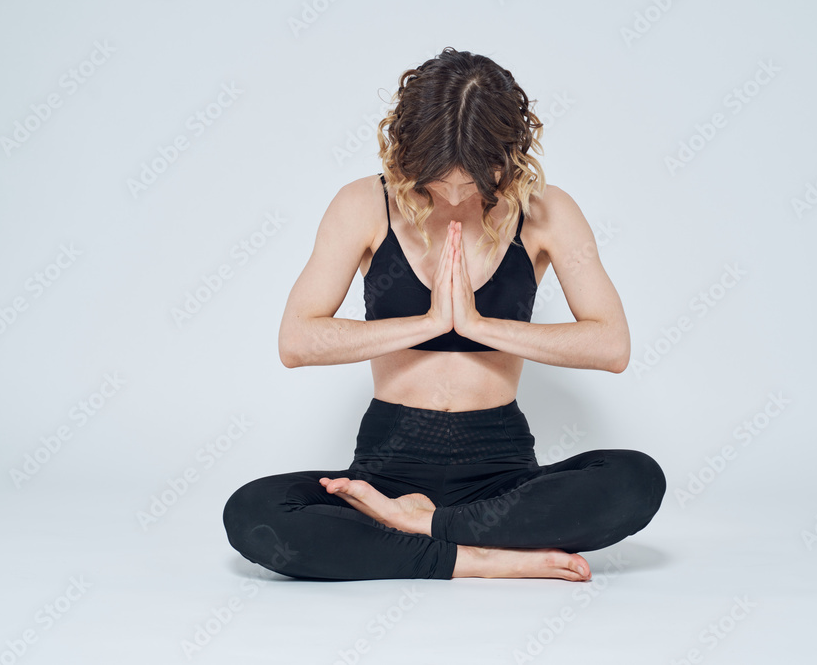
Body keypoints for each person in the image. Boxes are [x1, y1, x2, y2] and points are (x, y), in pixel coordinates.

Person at [222, 47, 665, 581]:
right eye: (438, 178)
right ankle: (471, 554)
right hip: (386, 471)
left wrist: (479, 326)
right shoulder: (362, 205)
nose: (455, 195)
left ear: (509, 155)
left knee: (637, 478)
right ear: (407, 151)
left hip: (500, 472)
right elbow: (296, 341)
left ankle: (425, 528)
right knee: (252, 513)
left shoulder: (549, 212)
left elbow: (612, 345)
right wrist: (429, 323)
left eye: (474, 180)